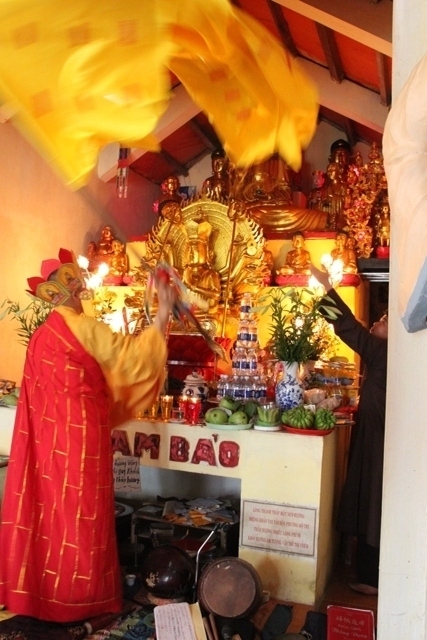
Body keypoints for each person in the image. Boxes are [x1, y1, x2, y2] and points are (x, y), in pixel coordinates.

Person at [0, 248, 176, 623]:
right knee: (81, 516)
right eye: (75, 281)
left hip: (43, 446)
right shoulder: (85, 328)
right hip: (81, 445)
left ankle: (41, 596)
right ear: (65, 291)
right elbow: (136, 361)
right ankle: (81, 599)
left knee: (47, 514)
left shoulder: (42, 336)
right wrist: (162, 313)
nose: (82, 286)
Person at [310, 262, 388, 596]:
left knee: (373, 501)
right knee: (370, 500)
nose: (378, 322)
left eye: (385, 320)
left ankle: (372, 576)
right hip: (376, 434)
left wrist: (326, 287)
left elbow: (347, 327)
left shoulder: (384, 351)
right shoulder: (384, 354)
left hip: (379, 440)